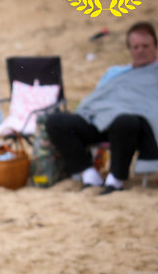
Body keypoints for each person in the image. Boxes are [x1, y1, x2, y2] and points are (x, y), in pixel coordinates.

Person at [45, 21, 158, 195]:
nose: (140, 50)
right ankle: (89, 175)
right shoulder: (116, 73)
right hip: (99, 121)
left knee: (125, 121)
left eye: (145, 46)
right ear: (129, 49)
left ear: (155, 46)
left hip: (131, 128)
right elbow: (98, 99)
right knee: (56, 121)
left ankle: (116, 179)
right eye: (135, 47)